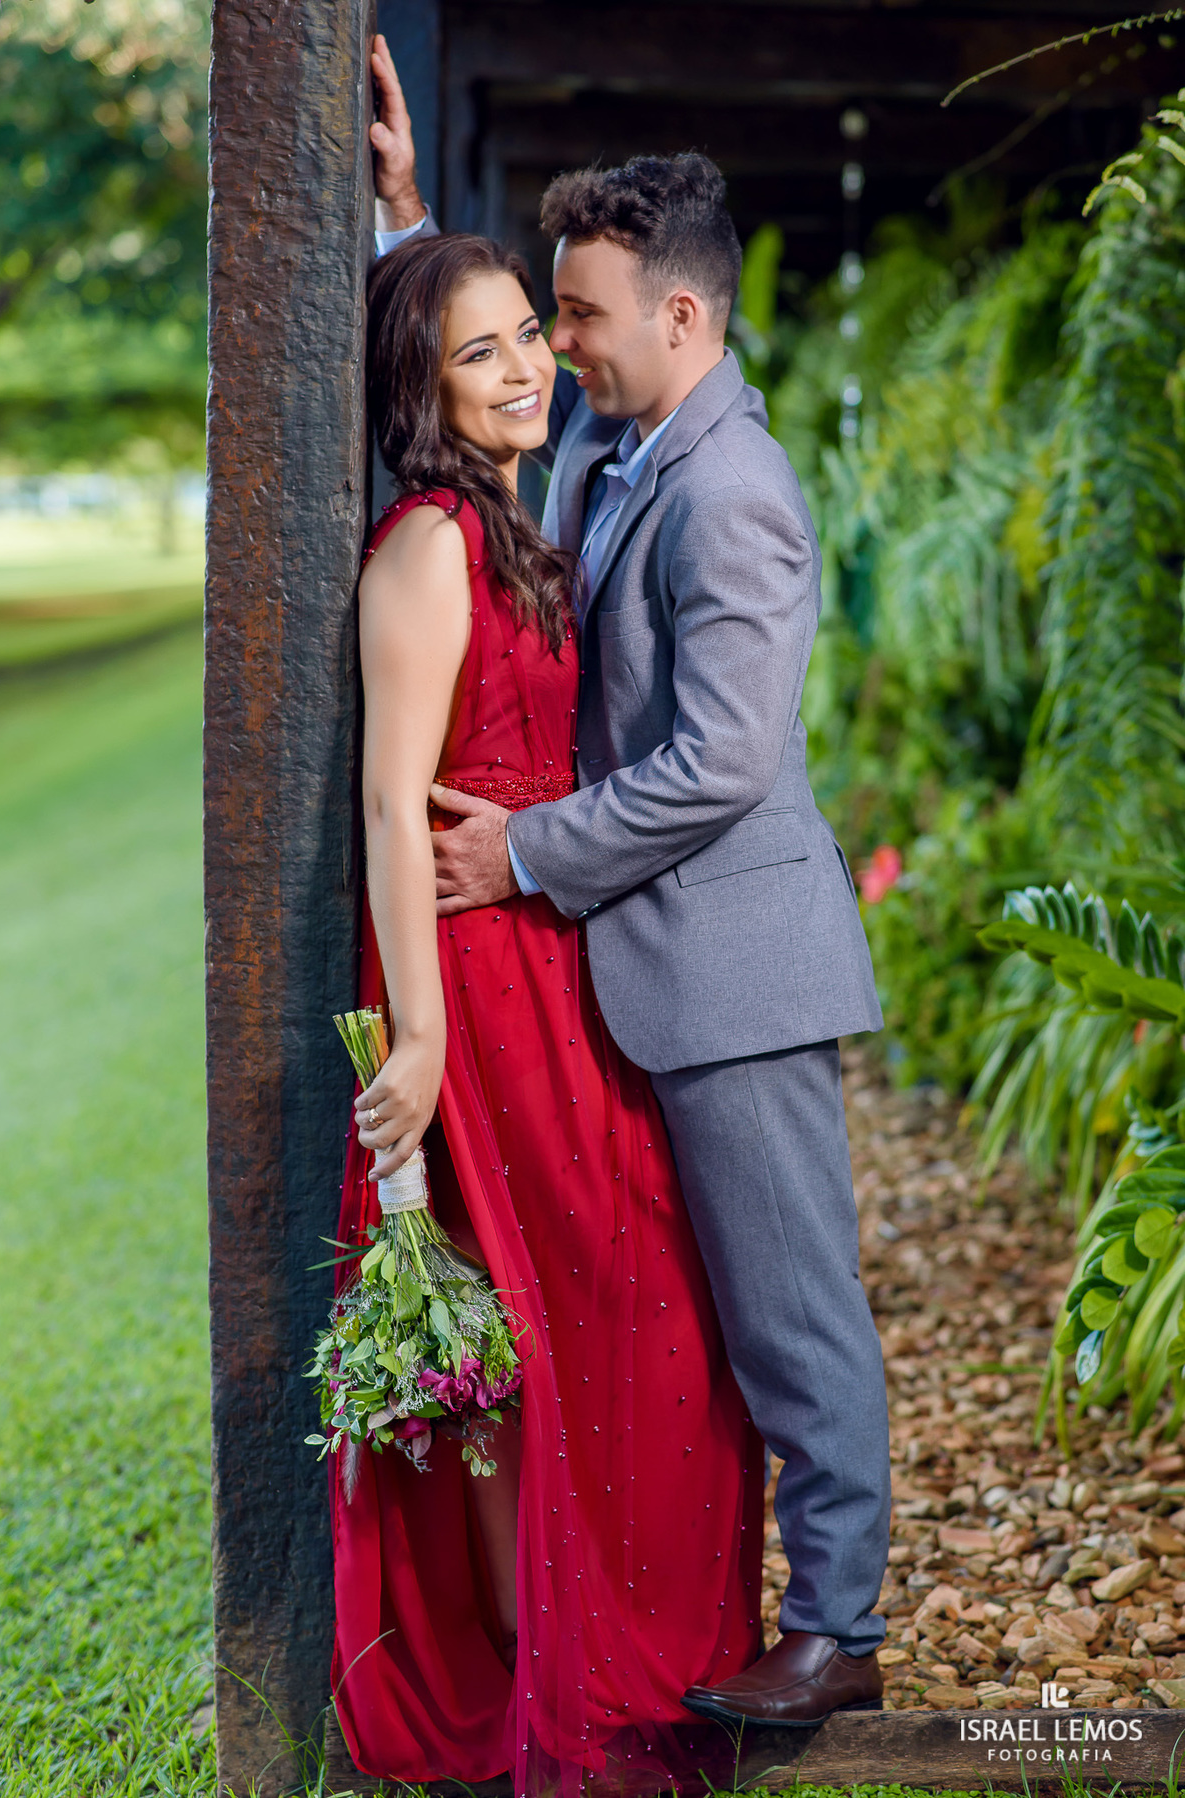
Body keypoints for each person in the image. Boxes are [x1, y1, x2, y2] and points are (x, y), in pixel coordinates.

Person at [366, 33, 892, 1731]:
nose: (558, 345)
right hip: (634, 970)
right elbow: (470, 384)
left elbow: (722, 762)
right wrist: (403, 231)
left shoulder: (732, 491)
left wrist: (522, 848)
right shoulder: (625, 445)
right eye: (543, 321)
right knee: (689, 1318)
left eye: (577, 317)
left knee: (790, 1312)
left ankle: (840, 1622)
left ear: (676, 314)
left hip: (732, 971)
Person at [332, 229, 763, 1791]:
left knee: (632, 1303)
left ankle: (625, 1652)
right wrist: (422, 1038)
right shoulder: (430, 542)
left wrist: (406, 218)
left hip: (557, 953)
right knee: (542, 1318)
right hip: (475, 980)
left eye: (531, 332)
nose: (528, 367)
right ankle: (556, 1679)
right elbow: (392, 805)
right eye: (483, 351)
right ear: (423, 386)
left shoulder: (518, 512)